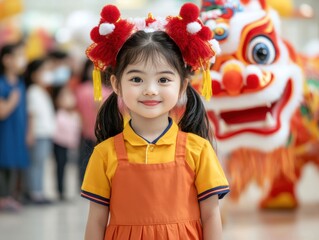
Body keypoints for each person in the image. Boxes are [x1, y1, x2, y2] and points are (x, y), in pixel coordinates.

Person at [81, 3, 229, 240]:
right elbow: (96, 221)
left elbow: (211, 216)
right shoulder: (104, 154)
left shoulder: (199, 150)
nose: (150, 90)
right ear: (117, 84)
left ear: (182, 85)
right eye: (137, 78)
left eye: (163, 79)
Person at [0, 40, 28, 211]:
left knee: (16, 163)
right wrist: (12, 100)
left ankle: (11, 196)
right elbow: (2, 111)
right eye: (18, 55)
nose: (21, 59)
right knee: (4, 162)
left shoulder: (19, 82)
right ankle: (3, 198)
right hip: (5, 132)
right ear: (7, 59)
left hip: (18, 132)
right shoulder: (2, 84)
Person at [75, 59, 112, 186]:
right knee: (85, 158)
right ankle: (84, 183)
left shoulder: (107, 91)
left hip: (102, 131)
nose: (93, 71)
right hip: (85, 130)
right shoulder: (81, 89)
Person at [25, 58, 56, 204]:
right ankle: (34, 193)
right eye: (43, 71)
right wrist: (30, 134)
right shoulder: (32, 91)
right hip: (38, 134)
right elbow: (31, 114)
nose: (47, 74)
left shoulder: (41, 91)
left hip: (46, 134)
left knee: (42, 164)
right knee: (36, 165)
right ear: (34, 74)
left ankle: (40, 191)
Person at [52, 85, 81, 201]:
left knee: (71, 168)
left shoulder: (75, 115)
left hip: (72, 146)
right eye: (64, 96)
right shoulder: (59, 115)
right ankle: (60, 191)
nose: (68, 99)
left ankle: (69, 190)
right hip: (60, 144)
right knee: (60, 167)